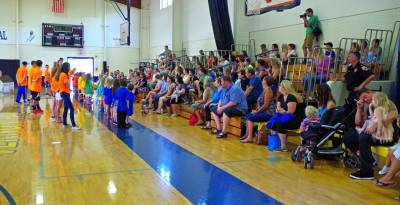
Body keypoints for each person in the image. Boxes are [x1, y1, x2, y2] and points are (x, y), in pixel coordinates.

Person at [345, 92, 398, 180]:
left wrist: (375, 125)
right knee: (347, 137)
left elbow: (389, 119)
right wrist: (359, 108)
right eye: (362, 98)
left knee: (363, 137)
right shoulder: (368, 106)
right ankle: (366, 160)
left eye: (365, 96)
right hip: (373, 134)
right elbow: (358, 122)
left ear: (372, 94)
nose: (364, 99)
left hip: (386, 136)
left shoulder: (388, 103)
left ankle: (367, 171)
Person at [267, 80, 304, 152]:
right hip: (286, 117)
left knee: (279, 123)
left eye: (280, 85)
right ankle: (275, 145)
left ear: (284, 87)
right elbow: (277, 109)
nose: (279, 87)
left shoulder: (291, 97)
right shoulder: (281, 96)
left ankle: (283, 146)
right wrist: (281, 110)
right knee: (274, 122)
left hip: (296, 119)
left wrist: (283, 111)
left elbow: (291, 112)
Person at [344, 51, 375, 126]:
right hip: (351, 92)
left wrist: (361, 86)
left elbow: (372, 76)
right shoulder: (350, 67)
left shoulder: (361, 67)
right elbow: (346, 78)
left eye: (350, 56)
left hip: (358, 93)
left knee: (356, 109)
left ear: (355, 58)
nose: (348, 58)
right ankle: (350, 126)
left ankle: (356, 126)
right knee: (349, 109)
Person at [240, 76, 275, 143]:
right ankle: (247, 135)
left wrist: (257, 112)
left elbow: (265, 105)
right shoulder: (265, 89)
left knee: (250, 118)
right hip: (263, 112)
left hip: (268, 113)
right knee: (248, 115)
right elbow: (261, 103)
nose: (262, 81)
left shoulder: (268, 90)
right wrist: (256, 110)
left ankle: (250, 137)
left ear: (265, 81)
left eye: (263, 79)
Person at [59, 62, 80, 130]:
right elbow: (67, 85)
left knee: (66, 108)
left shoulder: (63, 74)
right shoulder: (64, 75)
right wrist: (69, 78)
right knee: (72, 108)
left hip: (65, 93)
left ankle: (64, 123)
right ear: (66, 67)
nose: (69, 68)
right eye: (69, 67)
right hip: (64, 93)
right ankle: (73, 125)